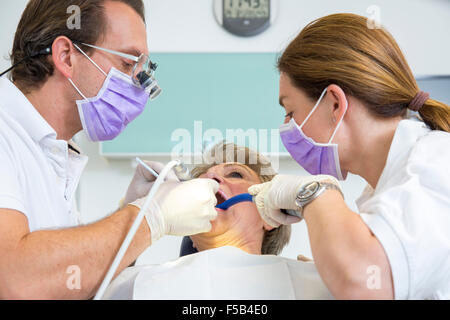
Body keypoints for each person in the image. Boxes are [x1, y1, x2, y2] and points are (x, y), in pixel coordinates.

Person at [0, 0, 218, 299]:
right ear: (66, 56)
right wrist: (146, 218)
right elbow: (14, 281)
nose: (140, 86)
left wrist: (132, 210)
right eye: (128, 64)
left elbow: (66, 282)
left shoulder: (53, 154)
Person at [248, 13, 450, 299]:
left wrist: (313, 192)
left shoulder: (437, 162)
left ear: (334, 103)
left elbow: (364, 280)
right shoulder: (384, 189)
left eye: (291, 112)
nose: (287, 127)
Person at [103, 143, 333, 300]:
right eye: (201, 180)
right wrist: (132, 216)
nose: (210, 179)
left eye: (235, 174)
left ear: (270, 215)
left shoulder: (316, 284)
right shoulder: (137, 282)